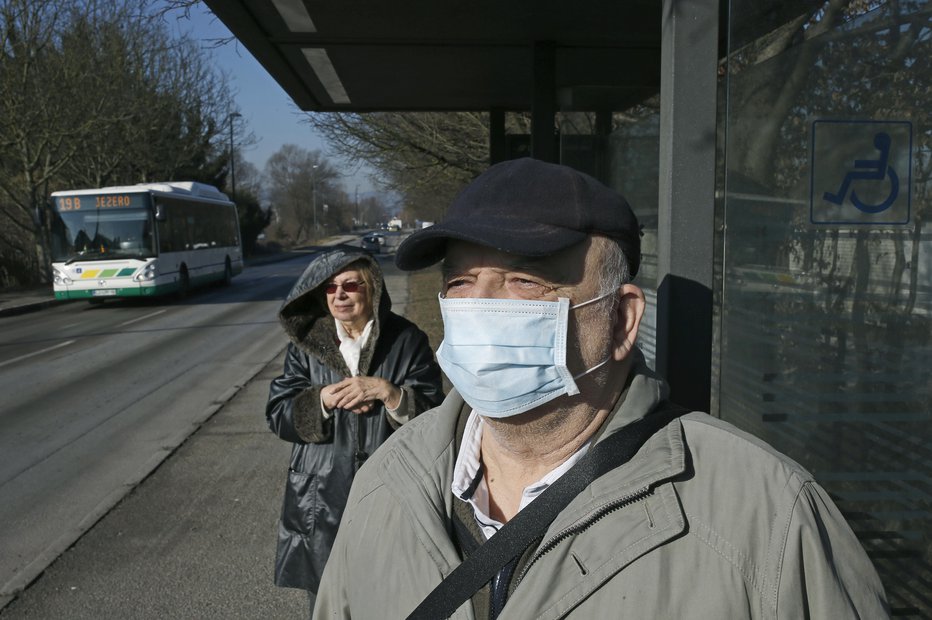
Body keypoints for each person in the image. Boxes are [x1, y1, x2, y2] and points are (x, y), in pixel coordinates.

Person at [313, 158, 889, 619]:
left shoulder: (769, 518)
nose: (481, 306)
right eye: (461, 281)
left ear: (620, 320)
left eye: (524, 280)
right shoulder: (387, 486)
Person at [266, 247, 444, 616]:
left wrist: (390, 394)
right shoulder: (305, 348)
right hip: (321, 497)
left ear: (373, 289)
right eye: (330, 288)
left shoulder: (406, 340)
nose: (340, 295)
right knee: (329, 602)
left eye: (351, 285)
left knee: (390, 596)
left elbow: (437, 417)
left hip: (391, 488)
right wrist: (321, 400)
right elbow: (278, 412)